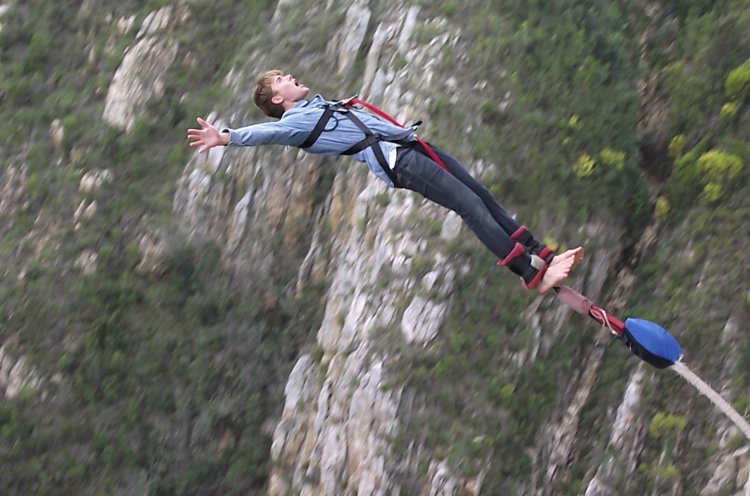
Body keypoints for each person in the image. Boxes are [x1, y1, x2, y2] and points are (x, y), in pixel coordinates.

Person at [186, 70, 584, 293]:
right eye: (282, 80)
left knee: (481, 194)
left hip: (410, 145)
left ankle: (540, 253)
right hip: (399, 160)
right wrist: (228, 136)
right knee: (469, 206)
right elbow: (265, 134)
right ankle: (530, 273)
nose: (291, 77)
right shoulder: (294, 123)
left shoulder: (316, 106)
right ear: (278, 100)